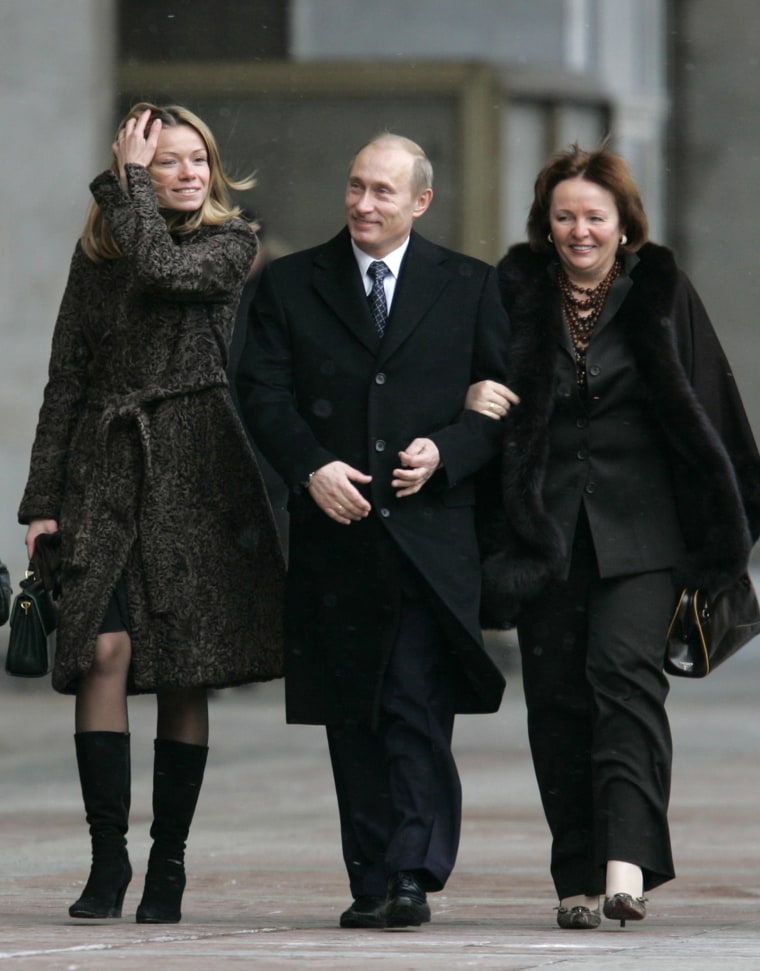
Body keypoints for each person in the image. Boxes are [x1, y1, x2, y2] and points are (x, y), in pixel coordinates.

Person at [469, 143, 760, 929]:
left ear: (623, 221)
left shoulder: (660, 293)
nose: (579, 230)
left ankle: (624, 866)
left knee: (624, 679)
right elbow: (476, 384)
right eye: (564, 216)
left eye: (594, 216)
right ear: (546, 221)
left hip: (645, 532)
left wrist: (727, 528)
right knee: (558, 700)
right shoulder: (515, 293)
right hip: (546, 531)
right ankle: (575, 875)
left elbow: (712, 407)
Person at [235, 132, 515, 929]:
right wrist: (310, 467)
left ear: (420, 202)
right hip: (337, 534)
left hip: (430, 540)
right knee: (351, 709)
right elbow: (262, 394)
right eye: (356, 186)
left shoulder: (469, 285)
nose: (363, 203)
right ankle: (370, 875)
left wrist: (448, 449)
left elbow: (498, 407)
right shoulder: (291, 285)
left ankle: (413, 874)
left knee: (416, 704)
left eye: (383, 191)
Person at [18, 103, 285, 924]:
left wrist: (126, 183)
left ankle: (168, 860)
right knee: (103, 648)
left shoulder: (230, 244)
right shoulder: (97, 255)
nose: (187, 173)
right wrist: (42, 502)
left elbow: (166, 271)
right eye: (164, 161)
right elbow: (66, 377)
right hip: (106, 469)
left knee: (181, 665)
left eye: (195, 159)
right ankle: (109, 858)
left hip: (195, 471)